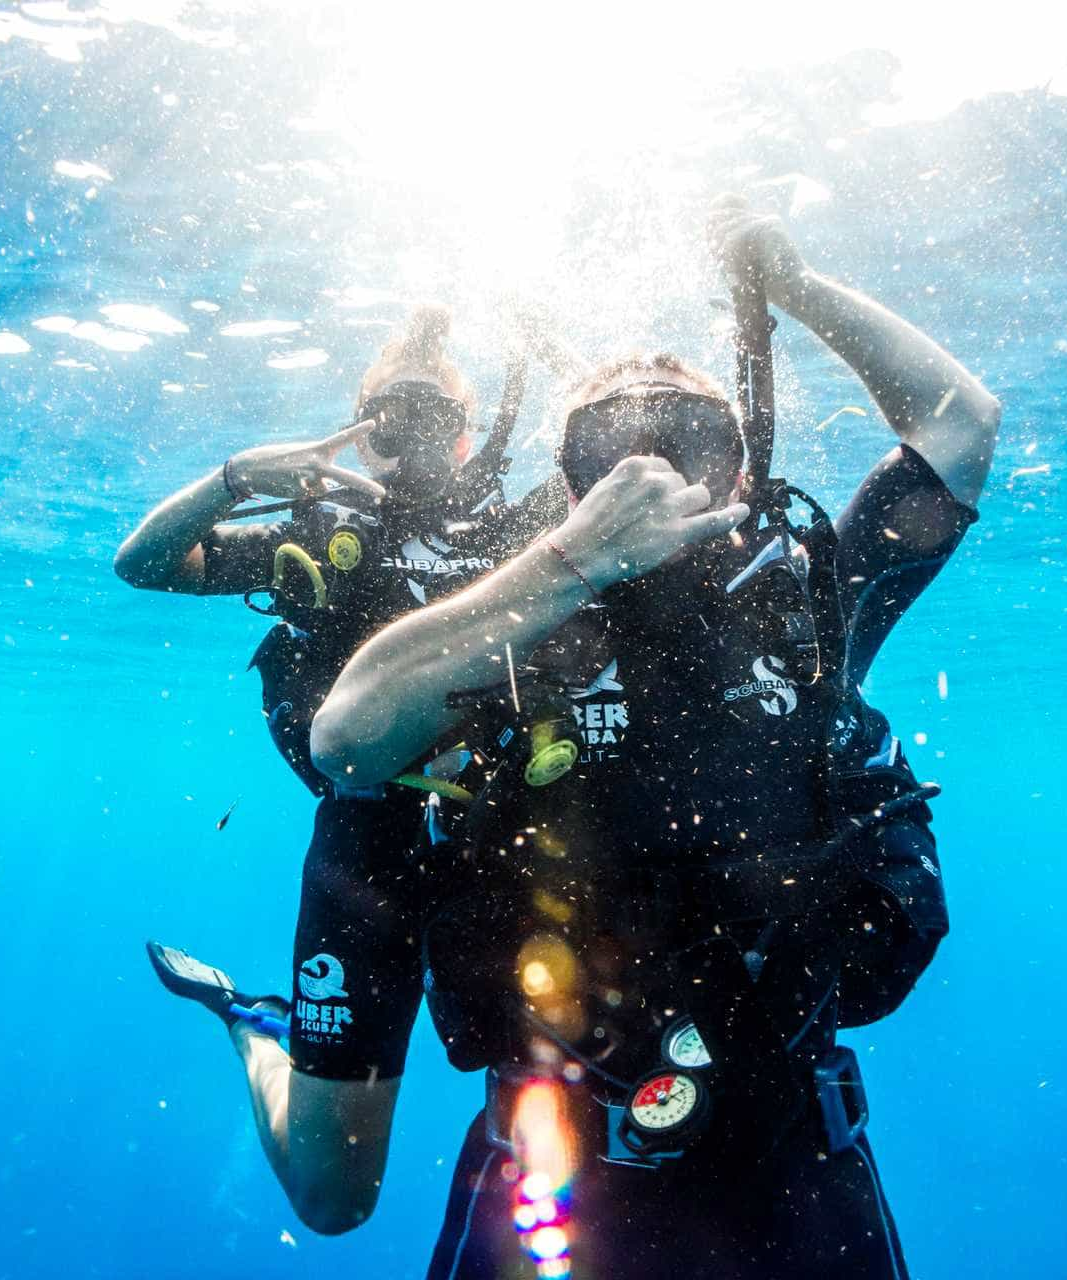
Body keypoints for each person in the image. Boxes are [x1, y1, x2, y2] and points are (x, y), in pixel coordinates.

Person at [299, 195, 1000, 1277]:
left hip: (796, 1168)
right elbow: (345, 741)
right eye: (615, 444)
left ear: (742, 469)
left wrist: (799, 287)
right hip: (550, 1168)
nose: (657, 468)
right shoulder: (510, 621)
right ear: (570, 482)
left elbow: (961, 424)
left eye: (690, 436)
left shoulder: (804, 601)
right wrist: (571, 562)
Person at [115, 306, 566, 1233]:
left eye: (432, 420)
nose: (411, 442)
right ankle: (258, 1025)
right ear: (357, 437)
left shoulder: (528, 532)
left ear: (470, 431)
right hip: (367, 862)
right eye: (387, 422)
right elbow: (143, 564)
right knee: (330, 1200)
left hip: (515, 849)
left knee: (554, 1103)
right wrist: (236, 478)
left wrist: (557, 350)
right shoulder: (319, 541)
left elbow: (635, 465)